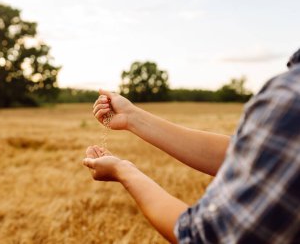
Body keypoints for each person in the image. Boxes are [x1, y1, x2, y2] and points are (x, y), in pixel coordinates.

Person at [82, 49, 300, 243]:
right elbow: (248, 156)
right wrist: (131, 117)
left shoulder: (291, 95)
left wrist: (123, 170)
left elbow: (207, 236)